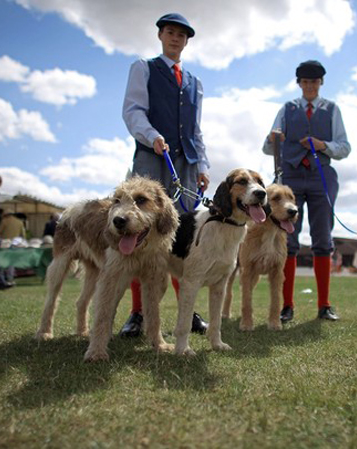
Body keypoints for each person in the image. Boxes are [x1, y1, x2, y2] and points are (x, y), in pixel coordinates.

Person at [119, 12, 210, 338]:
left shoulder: (195, 83)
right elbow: (132, 111)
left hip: (185, 165)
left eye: (182, 35)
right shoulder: (143, 67)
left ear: (186, 41)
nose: (176, 38)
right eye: (170, 32)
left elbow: (196, 131)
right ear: (161, 35)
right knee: (139, 233)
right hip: (150, 159)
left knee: (182, 239)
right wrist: (151, 134)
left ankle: (188, 312)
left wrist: (201, 165)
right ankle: (137, 314)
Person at [262, 60, 351, 322]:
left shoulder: (332, 109)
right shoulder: (287, 109)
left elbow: (344, 147)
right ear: (299, 83)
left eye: (314, 81)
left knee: (322, 238)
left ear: (320, 83)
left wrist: (322, 144)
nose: (309, 85)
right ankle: (286, 305)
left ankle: (324, 305)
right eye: (305, 81)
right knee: (287, 240)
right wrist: (273, 139)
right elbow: (268, 148)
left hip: (321, 175)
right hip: (289, 178)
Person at [0, 209, 27, 282]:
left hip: (5, 243)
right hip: (15, 243)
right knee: (11, 261)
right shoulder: (19, 222)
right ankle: (10, 277)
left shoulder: (4, 221)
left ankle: (1, 277)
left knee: (2, 260)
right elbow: (23, 234)